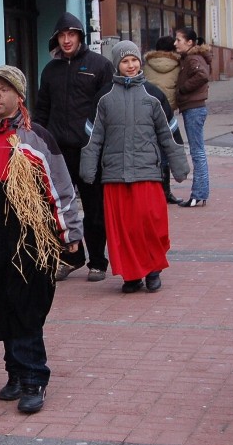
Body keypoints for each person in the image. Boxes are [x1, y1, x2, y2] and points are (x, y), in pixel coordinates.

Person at [0, 66, 83, 414]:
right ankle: (14, 371)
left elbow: (60, 187)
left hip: (29, 237)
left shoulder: (36, 138)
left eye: (3, 89)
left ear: (18, 96)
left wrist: (69, 233)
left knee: (26, 305)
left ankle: (33, 378)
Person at [81, 41, 190, 294]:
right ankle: (131, 275)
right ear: (117, 65)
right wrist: (88, 169)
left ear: (140, 62)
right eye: (124, 61)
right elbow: (92, 136)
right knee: (123, 229)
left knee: (150, 225)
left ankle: (153, 270)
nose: (130, 66)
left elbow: (169, 134)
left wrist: (179, 166)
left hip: (147, 172)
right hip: (115, 175)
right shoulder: (104, 98)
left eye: (134, 60)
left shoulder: (153, 95)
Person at [35, 12, 114, 282]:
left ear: (80, 36)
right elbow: (42, 110)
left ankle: (98, 261)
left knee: (94, 209)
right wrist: (36, 142)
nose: (67, 40)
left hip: (90, 150)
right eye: (62, 35)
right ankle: (70, 257)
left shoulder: (100, 66)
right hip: (58, 151)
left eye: (72, 34)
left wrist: (103, 146)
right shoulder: (50, 70)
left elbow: (107, 110)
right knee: (60, 208)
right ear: (56, 38)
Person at [143, 35, 184, 204]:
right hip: (166, 111)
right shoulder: (177, 65)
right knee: (166, 149)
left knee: (148, 150)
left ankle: (151, 189)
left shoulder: (147, 65)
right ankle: (165, 191)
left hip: (146, 111)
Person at [174, 27, 212, 208]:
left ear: (190, 42)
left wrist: (183, 89)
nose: (175, 43)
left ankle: (199, 194)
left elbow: (202, 76)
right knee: (198, 151)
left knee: (197, 152)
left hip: (194, 107)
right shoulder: (190, 58)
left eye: (178, 40)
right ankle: (200, 193)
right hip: (194, 107)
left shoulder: (192, 58)